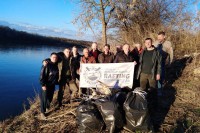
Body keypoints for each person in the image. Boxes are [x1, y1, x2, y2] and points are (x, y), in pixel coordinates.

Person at [40, 52, 59, 119]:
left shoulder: (56, 64)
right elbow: (42, 75)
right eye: (53, 57)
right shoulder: (46, 64)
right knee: (44, 98)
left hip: (52, 84)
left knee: (50, 97)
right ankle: (42, 113)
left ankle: (47, 107)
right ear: (50, 58)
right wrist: (43, 85)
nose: (55, 58)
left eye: (56, 57)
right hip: (46, 84)